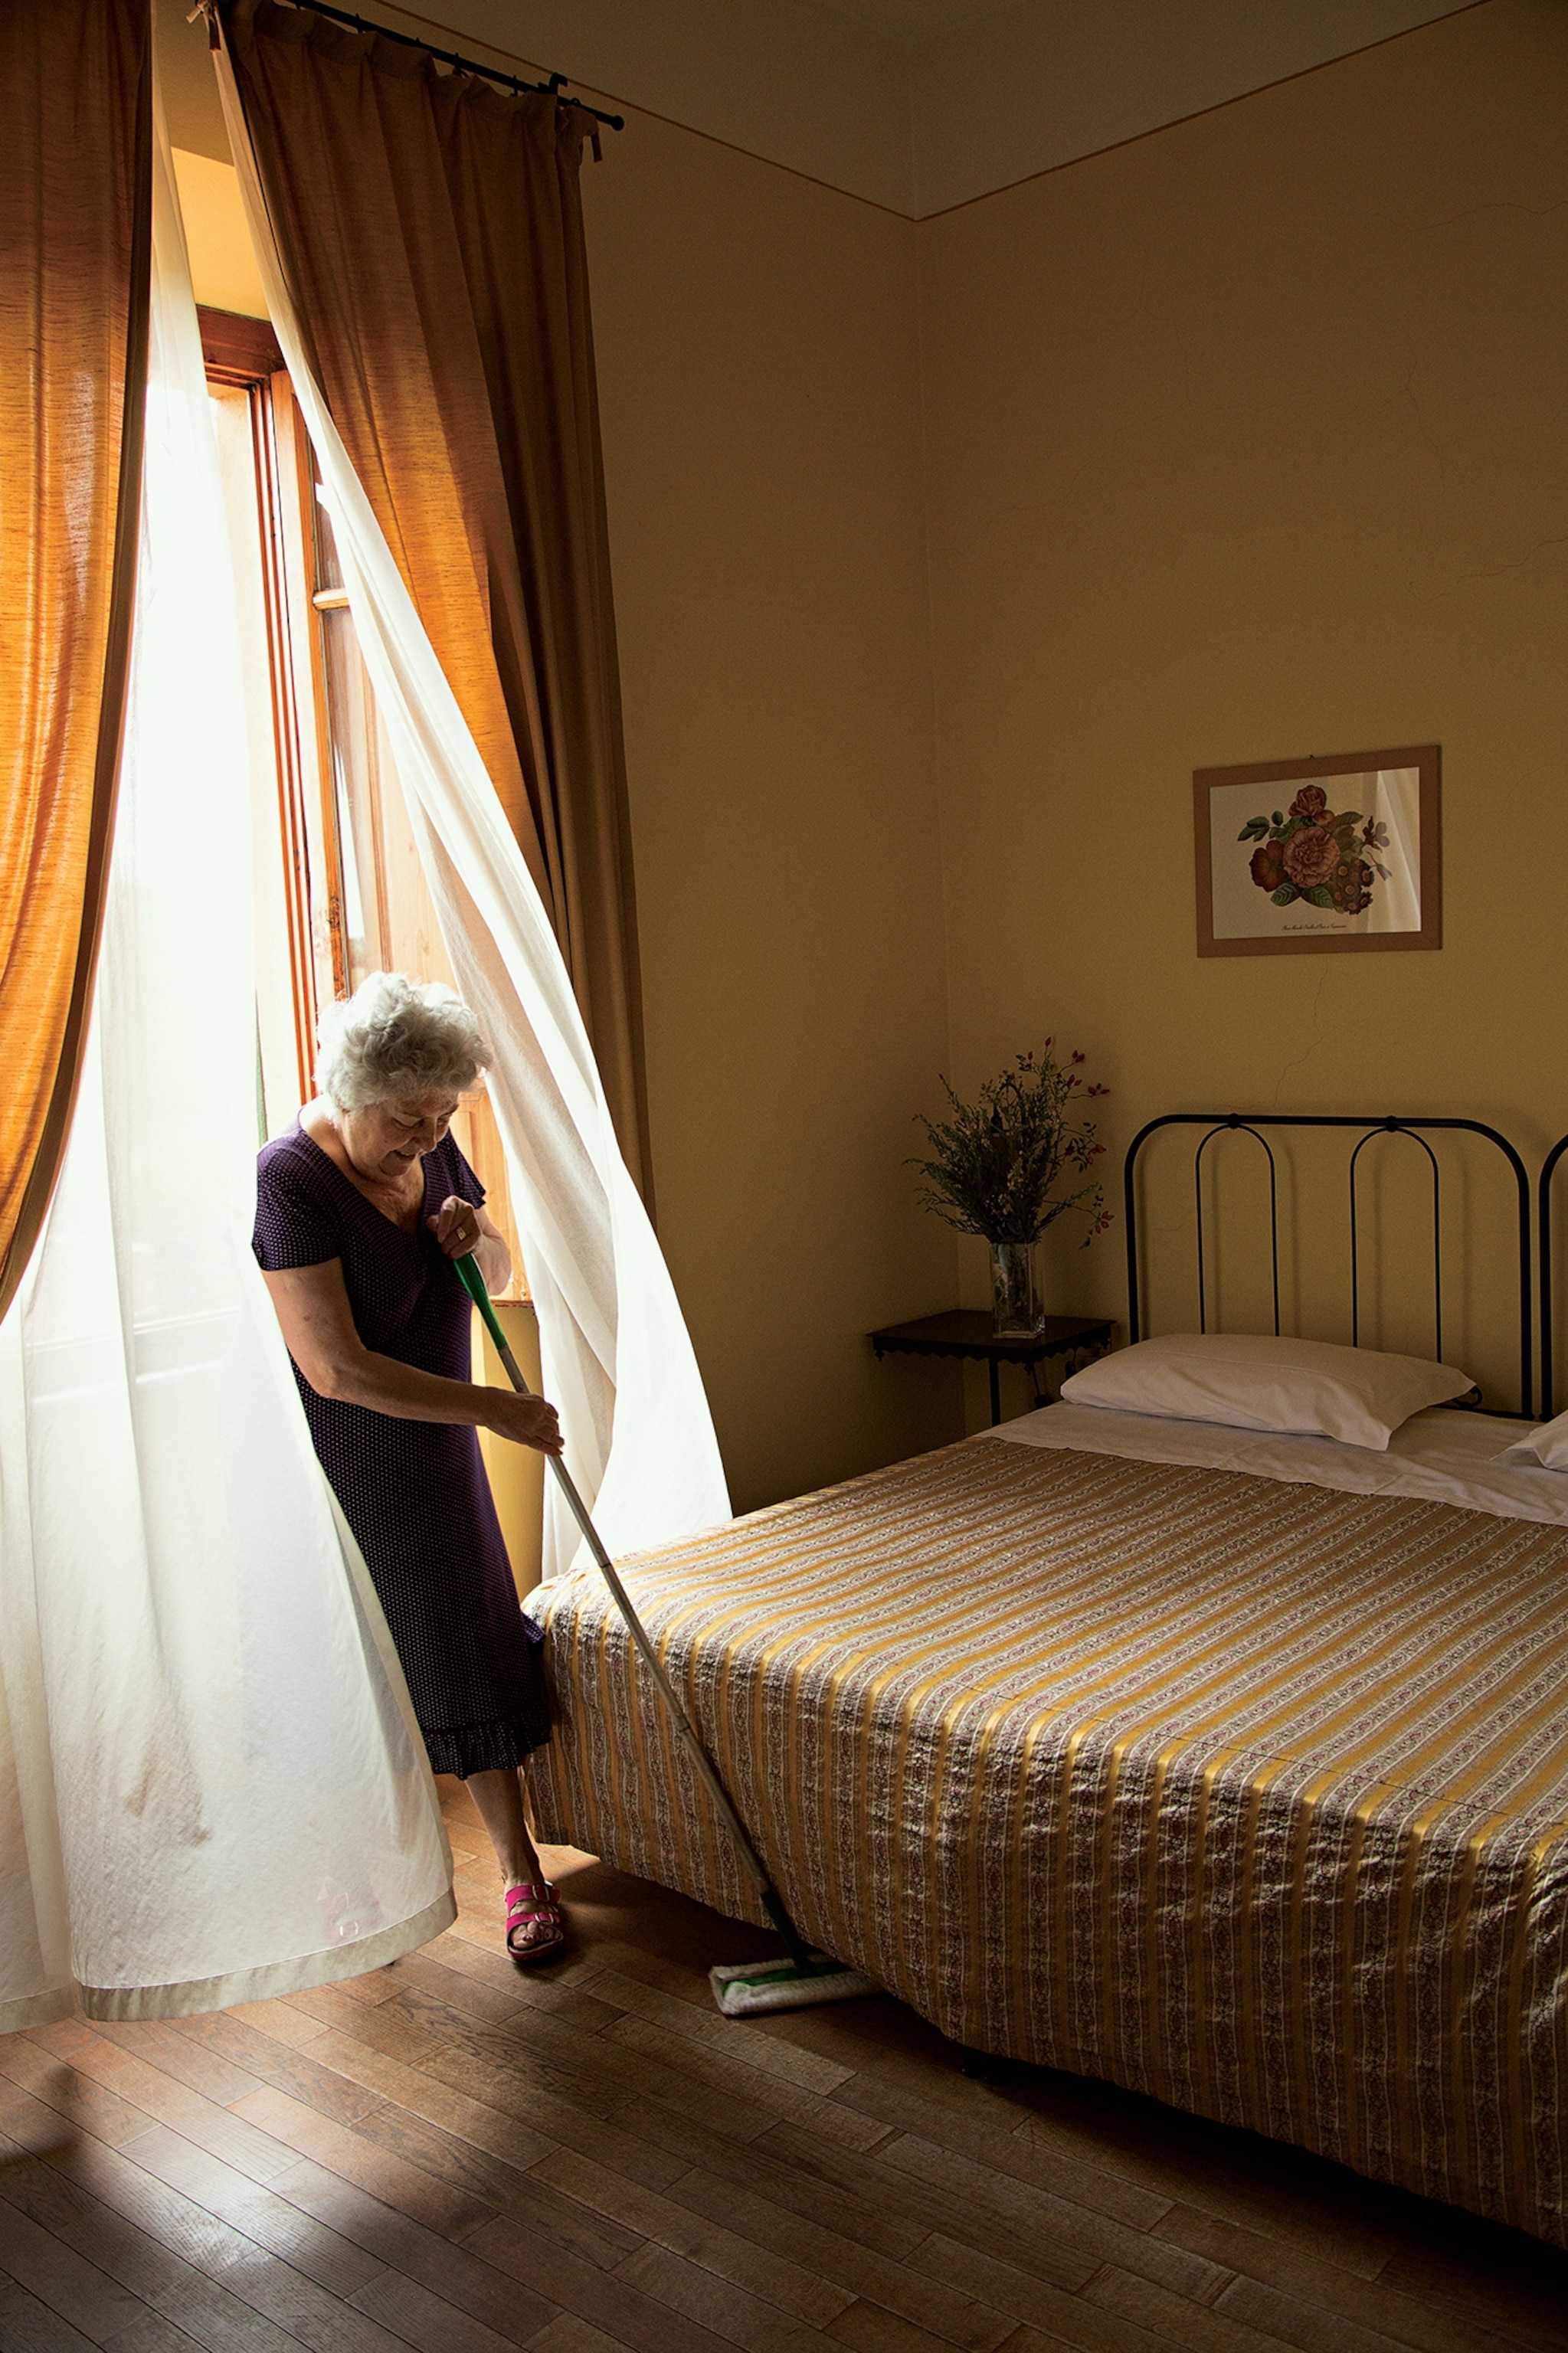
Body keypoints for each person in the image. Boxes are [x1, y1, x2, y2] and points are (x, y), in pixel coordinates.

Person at [254, 970, 567, 1965]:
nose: (428, 1137)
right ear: (350, 1090)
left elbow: (496, 1271)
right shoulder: (291, 1179)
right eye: (407, 1117)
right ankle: (350, 1877)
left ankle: (522, 1875)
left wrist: (482, 1237)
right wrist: (496, 1410)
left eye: (442, 1115)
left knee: (465, 1643)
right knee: (354, 1665)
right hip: (347, 1463)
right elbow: (335, 1368)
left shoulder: (431, 1147)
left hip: (438, 1448)